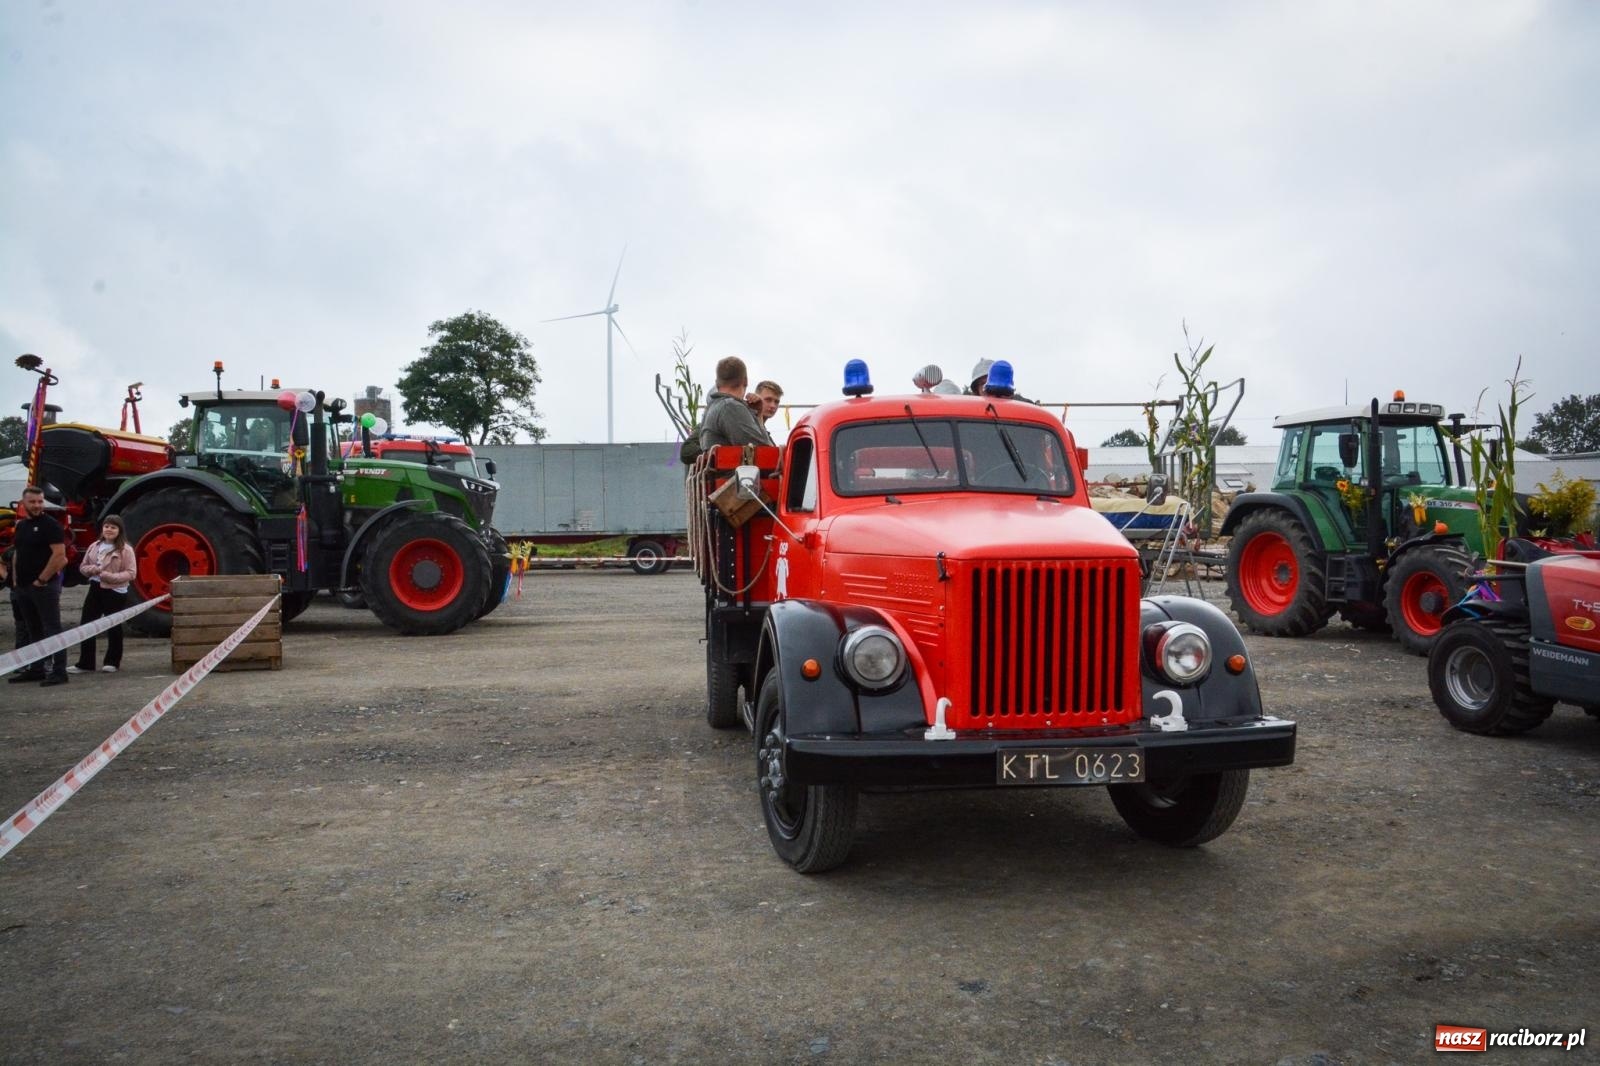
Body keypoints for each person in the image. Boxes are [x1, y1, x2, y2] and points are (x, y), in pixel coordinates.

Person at [9, 485, 69, 685]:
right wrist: (16, 581)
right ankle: (37, 668)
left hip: (44, 587)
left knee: (52, 629)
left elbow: (60, 556)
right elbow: (18, 553)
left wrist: (41, 580)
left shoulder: (51, 525)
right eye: (32, 502)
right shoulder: (21, 526)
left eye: (39, 501)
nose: (36, 505)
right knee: (32, 628)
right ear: (23, 502)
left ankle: (60, 671)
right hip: (23, 588)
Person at [69, 514, 136, 674]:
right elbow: (83, 566)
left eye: (113, 527)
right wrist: (91, 570)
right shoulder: (94, 546)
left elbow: (131, 573)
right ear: (102, 528)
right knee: (87, 624)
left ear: (119, 530)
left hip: (115, 591)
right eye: (107, 526)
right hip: (95, 587)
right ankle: (85, 663)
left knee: (113, 626)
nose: (109, 530)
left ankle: (112, 662)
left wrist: (111, 577)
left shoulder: (126, 549)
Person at [699, 356, 774, 451]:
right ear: (745, 381)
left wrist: (757, 414)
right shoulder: (730, 407)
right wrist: (759, 417)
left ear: (717, 383)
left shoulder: (712, 408)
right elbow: (765, 452)